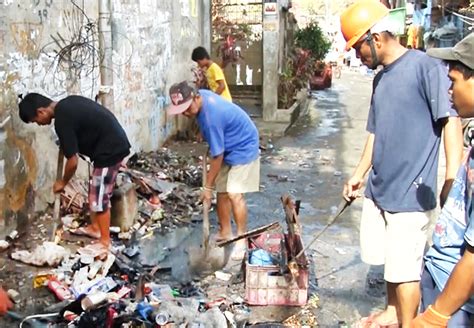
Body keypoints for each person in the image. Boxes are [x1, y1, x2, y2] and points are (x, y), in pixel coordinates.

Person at [339, 1, 463, 327]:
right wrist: (358, 174)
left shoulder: (426, 67)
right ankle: (394, 313)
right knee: (390, 266)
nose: (357, 56)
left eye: (359, 48)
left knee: (406, 270)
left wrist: (452, 178)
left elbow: (450, 121)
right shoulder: (381, 80)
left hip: (411, 193)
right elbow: (374, 132)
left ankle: (410, 324)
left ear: (375, 38)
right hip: (381, 189)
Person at [412, 33, 474, 328]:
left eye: (454, 81)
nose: (448, 91)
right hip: (441, 275)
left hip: (457, 300)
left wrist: (436, 315)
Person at [19, 94, 131, 250]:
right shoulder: (67, 104)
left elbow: (73, 162)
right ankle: (95, 228)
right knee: (94, 191)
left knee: (99, 197)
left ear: (41, 112)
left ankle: (105, 241)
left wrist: (62, 183)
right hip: (110, 143)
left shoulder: (62, 120)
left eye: (35, 121)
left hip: (110, 150)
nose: (38, 124)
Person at [167, 81, 259, 259]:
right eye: (181, 110)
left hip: (244, 146)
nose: (185, 113)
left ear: (196, 98)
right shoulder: (201, 98)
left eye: (186, 108)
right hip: (227, 144)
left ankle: (241, 239)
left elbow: (217, 157)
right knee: (222, 192)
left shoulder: (211, 117)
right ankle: (226, 232)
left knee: (234, 194)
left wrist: (207, 187)